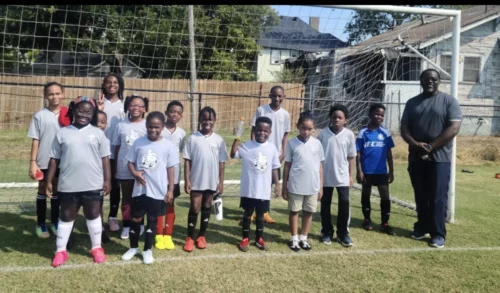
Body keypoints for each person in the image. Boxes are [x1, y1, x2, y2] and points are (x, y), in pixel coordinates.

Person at [47, 96, 111, 268]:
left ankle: (96, 248)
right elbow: (54, 159)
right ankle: (60, 250)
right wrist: (49, 180)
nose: (84, 114)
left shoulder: (98, 134)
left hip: (93, 183)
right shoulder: (62, 133)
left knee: (93, 214)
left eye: (88, 112)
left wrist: (107, 180)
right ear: (73, 110)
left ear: (93, 114)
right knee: (67, 216)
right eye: (81, 111)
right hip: (68, 184)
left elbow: (105, 159)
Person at [401, 69, 462, 248]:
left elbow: (454, 128)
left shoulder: (449, 101)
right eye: (426, 79)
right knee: (420, 194)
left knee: (438, 196)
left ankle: (437, 233)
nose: (430, 82)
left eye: (433, 79)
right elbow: (404, 128)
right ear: (420, 81)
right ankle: (421, 227)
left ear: (439, 81)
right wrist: (414, 144)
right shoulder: (412, 103)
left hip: (440, 158)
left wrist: (430, 146)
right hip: (416, 157)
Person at [121, 111, 178, 264]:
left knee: (152, 220)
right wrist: (135, 173)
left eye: (157, 127)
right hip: (140, 190)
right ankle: (133, 247)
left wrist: (170, 190)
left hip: (158, 191)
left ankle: (147, 250)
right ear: (146, 126)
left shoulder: (168, 145)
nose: (153, 130)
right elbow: (130, 162)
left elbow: (171, 169)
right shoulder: (138, 143)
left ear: (162, 127)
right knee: (136, 219)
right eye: (150, 127)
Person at [231, 116, 280, 252]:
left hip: (263, 190)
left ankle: (259, 238)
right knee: (248, 213)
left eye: (265, 131)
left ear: (270, 132)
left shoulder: (272, 148)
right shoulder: (247, 146)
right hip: (249, 189)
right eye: (259, 130)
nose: (262, 133)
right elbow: (233, 153)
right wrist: (237, 136)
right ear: (255, 130)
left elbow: (275, 167)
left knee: (260, 214)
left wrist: (277, 184)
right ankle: (245, 238)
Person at [182, 106, 228, 252]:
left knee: (207, 206)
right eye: (204, 118)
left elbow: (222, 163)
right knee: (195, 207)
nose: (207, 121)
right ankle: (190, 237)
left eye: (210, 119)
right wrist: (187, 180)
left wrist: (220, 182)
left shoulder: (219, 140)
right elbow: (187, 161)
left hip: (212, 180)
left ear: (214, 120)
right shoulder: (193, 138)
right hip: (197, 179)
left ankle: (201, 236)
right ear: (199, 120)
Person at [282, 111, 324, 252]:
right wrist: (284, 186)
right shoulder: (292, 143)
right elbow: (287, 165)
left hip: (312, 186)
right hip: (295, 185)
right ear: (298, 126)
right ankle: (294, 239)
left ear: (314, 128)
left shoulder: (317, 144)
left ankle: (303, 238)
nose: (306, 131)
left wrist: (321, 187)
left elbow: (319, 167)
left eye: (309, 129)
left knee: (308, 212)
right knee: (294, 211)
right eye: (303, 128)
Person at [27, 82, 64, 238]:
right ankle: (41, 224)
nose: (54, 96)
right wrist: (33, 162)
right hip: (44, 159)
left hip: (63, 159)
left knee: (57, 190)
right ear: (45, 96)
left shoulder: (69, 114)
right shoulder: (40, 115)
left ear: (62, 94)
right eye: (51, 94)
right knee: (42, 189)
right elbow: (36, 139)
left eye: (57, 93)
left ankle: (55, 222)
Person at [317, 104, 357, 247]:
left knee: (344, 203)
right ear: (330, 118)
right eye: (334, 117)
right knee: (325, 204)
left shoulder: (349, 134)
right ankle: (326, 231)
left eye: (340, 117)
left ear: (345, 120)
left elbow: (351, 156)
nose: (337, 120)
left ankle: (343, 233)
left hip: (342, 176)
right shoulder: (323, 134)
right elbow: (318, 156)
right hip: (326, 176)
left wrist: (351, 176)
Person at [250, 85, 291, 224]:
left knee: (269, 184)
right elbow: (253, 130)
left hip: (275, 155)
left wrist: (283, 152)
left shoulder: (285, 114)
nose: (277, 98)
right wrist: (252, 149)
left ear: (284, 97)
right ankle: (250, 211)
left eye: (280, 96)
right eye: (274, 95)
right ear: (270, 96)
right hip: (260, 153)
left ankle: (264, 212)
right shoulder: (261, 110)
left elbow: (285, 135)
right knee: (256, 182)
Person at [112, 95, 148, 239]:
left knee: (140, 198)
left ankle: (139, 224)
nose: (136, 108)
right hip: (124, 168)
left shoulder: (147, 125)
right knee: (126, 198)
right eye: (133, 105)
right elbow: (117, 147)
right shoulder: (121, 125)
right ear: (128, 107)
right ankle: (126, 226)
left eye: (139, 105)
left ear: (144, 109)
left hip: (142, 169)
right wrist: (115, 167)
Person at [356, 104, 395, 235]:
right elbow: (358, 153)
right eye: (376, 114)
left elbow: (389, 153)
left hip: (381, 171)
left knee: (385, 196)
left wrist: (391, 171)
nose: (379, 117)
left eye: (382, 115)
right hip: (367, 171)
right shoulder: (363, 133)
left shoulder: (385, 133)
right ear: (370, 115)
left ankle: (385, 223)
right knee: (366, 194)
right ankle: (367, 220)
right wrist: (359, 171)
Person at [97, 73, 126, 233]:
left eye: (115, 82)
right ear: (104, 85)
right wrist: (98, 109)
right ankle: (98, 217)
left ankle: (112, 217)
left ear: (119, 85)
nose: (112, 85)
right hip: (99, 151)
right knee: (98, 185)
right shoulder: (99, 104)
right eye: (108, 82)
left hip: (118, 151)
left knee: (115, 185)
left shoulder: (125, 105)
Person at [155, 101, 186, 250]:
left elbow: (179, 151)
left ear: (181, 116)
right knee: (158, 203)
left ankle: (168, 234)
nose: (175, 114)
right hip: (159, 173)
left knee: (170, 202)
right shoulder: (160, 130)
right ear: (166, 112)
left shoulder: (181, 133)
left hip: (174, 174)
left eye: (178, 113)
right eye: (172, 111)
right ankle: (158, 234)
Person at [96, 110, 112, 243]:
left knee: (98, 205)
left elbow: (106, 161)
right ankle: (69, 233)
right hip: (82, 177)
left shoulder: (105, 140)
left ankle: (100, 230)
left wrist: (107, 180)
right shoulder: (85, 136)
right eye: (97, 122)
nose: (100, 125)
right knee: (74, 205)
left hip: (98, 178)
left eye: (103, 122)